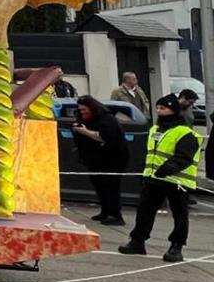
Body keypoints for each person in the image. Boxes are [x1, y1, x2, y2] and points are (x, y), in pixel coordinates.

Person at [118, 94, 199, 262]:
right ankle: (137, 241)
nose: (159, 111)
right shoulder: (155, 130)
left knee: (179, 215)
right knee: (145, 211)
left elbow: (184, 157)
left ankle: (176, 246)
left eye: (163, 108)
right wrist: (146, 173)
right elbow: (150, 154)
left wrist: (167, 169)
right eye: (158, 108)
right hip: (154, 179)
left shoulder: (185, 133)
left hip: (177, 181)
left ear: (173, 110)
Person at [72, 96, 128, 225]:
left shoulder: (107, 119)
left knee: (110, 186)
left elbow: (105, 137)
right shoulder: (87, 118)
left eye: (84, 109)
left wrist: (85, 132)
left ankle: (115, 214)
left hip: (112, 159)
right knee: (99, 185)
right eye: (80, 110)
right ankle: (105, 211)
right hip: (95, 158)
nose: (82, 112)